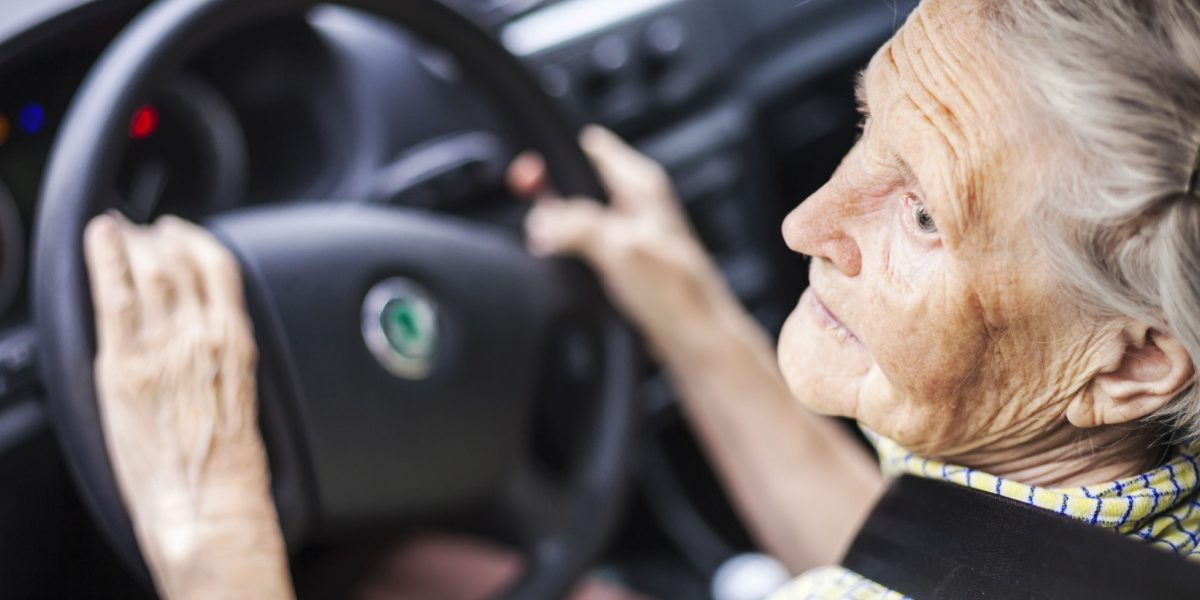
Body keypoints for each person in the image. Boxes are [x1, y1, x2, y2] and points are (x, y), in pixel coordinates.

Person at [82, 0, 1200, 598]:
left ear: (1133, 365)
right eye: (868, 126)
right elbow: (926, 553)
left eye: (922, 216)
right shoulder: (1098, 475)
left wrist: (210, 531)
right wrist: (686, 307)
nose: (805, 223)